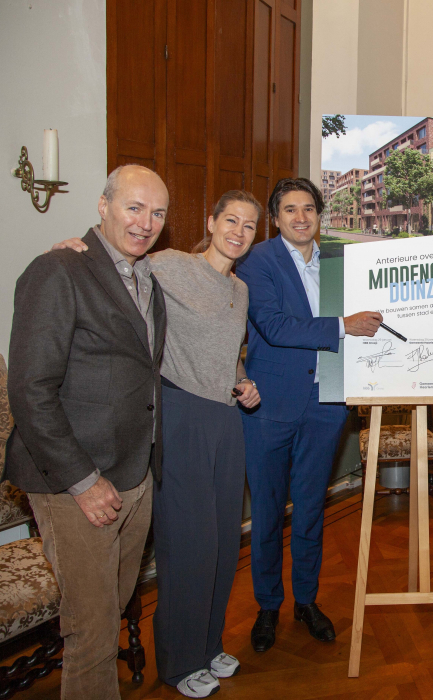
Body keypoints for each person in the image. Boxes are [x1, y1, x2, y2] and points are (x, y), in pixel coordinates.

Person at [50, 188, 264, 698]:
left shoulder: (242, 290)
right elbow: (114, 265)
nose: (238, 231)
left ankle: (207, 646)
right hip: (180, 415)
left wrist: (243, 379)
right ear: (211, 222)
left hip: (226, 420)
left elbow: (225, 350)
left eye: (250, 225)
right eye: (230, 220)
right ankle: (177, 659)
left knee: (220, 543)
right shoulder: (169, 264)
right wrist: (71, 251)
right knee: (187, 545)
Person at [5, 165, 168, 700]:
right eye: (133, 207)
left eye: (158, 213)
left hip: (133, 474)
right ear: (103, 206)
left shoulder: (148, 278)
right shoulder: (57, 270)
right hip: (77, 482)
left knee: (113, 604)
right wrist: (82, 480)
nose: (145, 222)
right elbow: (29, 389)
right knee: (93, 633)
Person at [236, 178, 382, 653]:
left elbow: (373, 318)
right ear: (276, 220)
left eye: (309, 209)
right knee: (268, 514)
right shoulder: (258, 261)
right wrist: (343, 326)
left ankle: (306, 601)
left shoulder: (340, 263)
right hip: (269, 407)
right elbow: (274, 326)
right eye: (290, 210)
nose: (301, 217)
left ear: (320, 216)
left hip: (327, 406)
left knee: (312, 512)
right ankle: (266, 607)